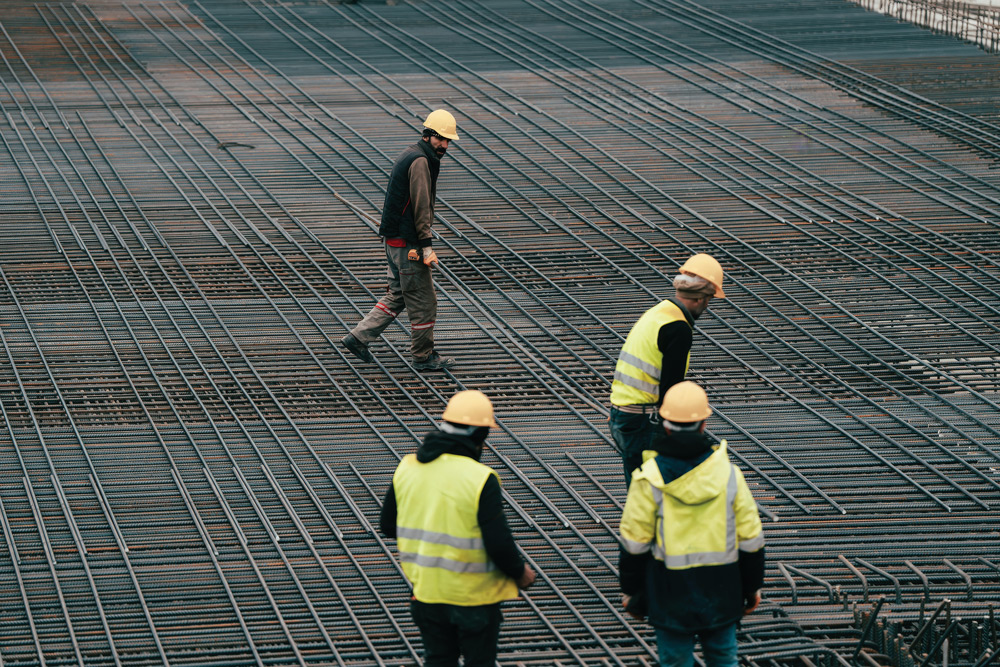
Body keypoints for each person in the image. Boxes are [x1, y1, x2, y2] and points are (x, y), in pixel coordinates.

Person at [380, 390, 537, 666]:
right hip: (474, 599)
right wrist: (520, 573)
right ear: (478, 434)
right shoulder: (479, 478)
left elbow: (388, 526)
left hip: (427, 594)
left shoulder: (407, 467)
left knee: (439, 660)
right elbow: (498, 541)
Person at [619, 381, 765, 667]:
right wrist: (751, 588)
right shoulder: (729, 475)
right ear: (703, 423)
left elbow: (634, 543)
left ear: (666, 424)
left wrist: (632, 593)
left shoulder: (649, 479)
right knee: (724, 659)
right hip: (722, 591)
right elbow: (751, 538)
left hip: (668, 594)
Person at [342, 109, 459, 371]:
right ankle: (423, 356)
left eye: (448, 140)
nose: (445, 145)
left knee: (398, 294)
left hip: (395, 241)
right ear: (428, 135)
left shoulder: (412, 154)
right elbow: (420, 206)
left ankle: (358, 338)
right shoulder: (420, 161)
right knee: (424, 301)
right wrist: (426, 245)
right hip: (409, 245)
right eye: (441, 138)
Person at [609, 253, 726, 485]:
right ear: (702, 298)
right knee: (654, 489)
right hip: (643, 422)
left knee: (641, 489)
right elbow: (672, 389)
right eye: (710, 299)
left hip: (623, 415)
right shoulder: (678, 328)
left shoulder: (659, 312)